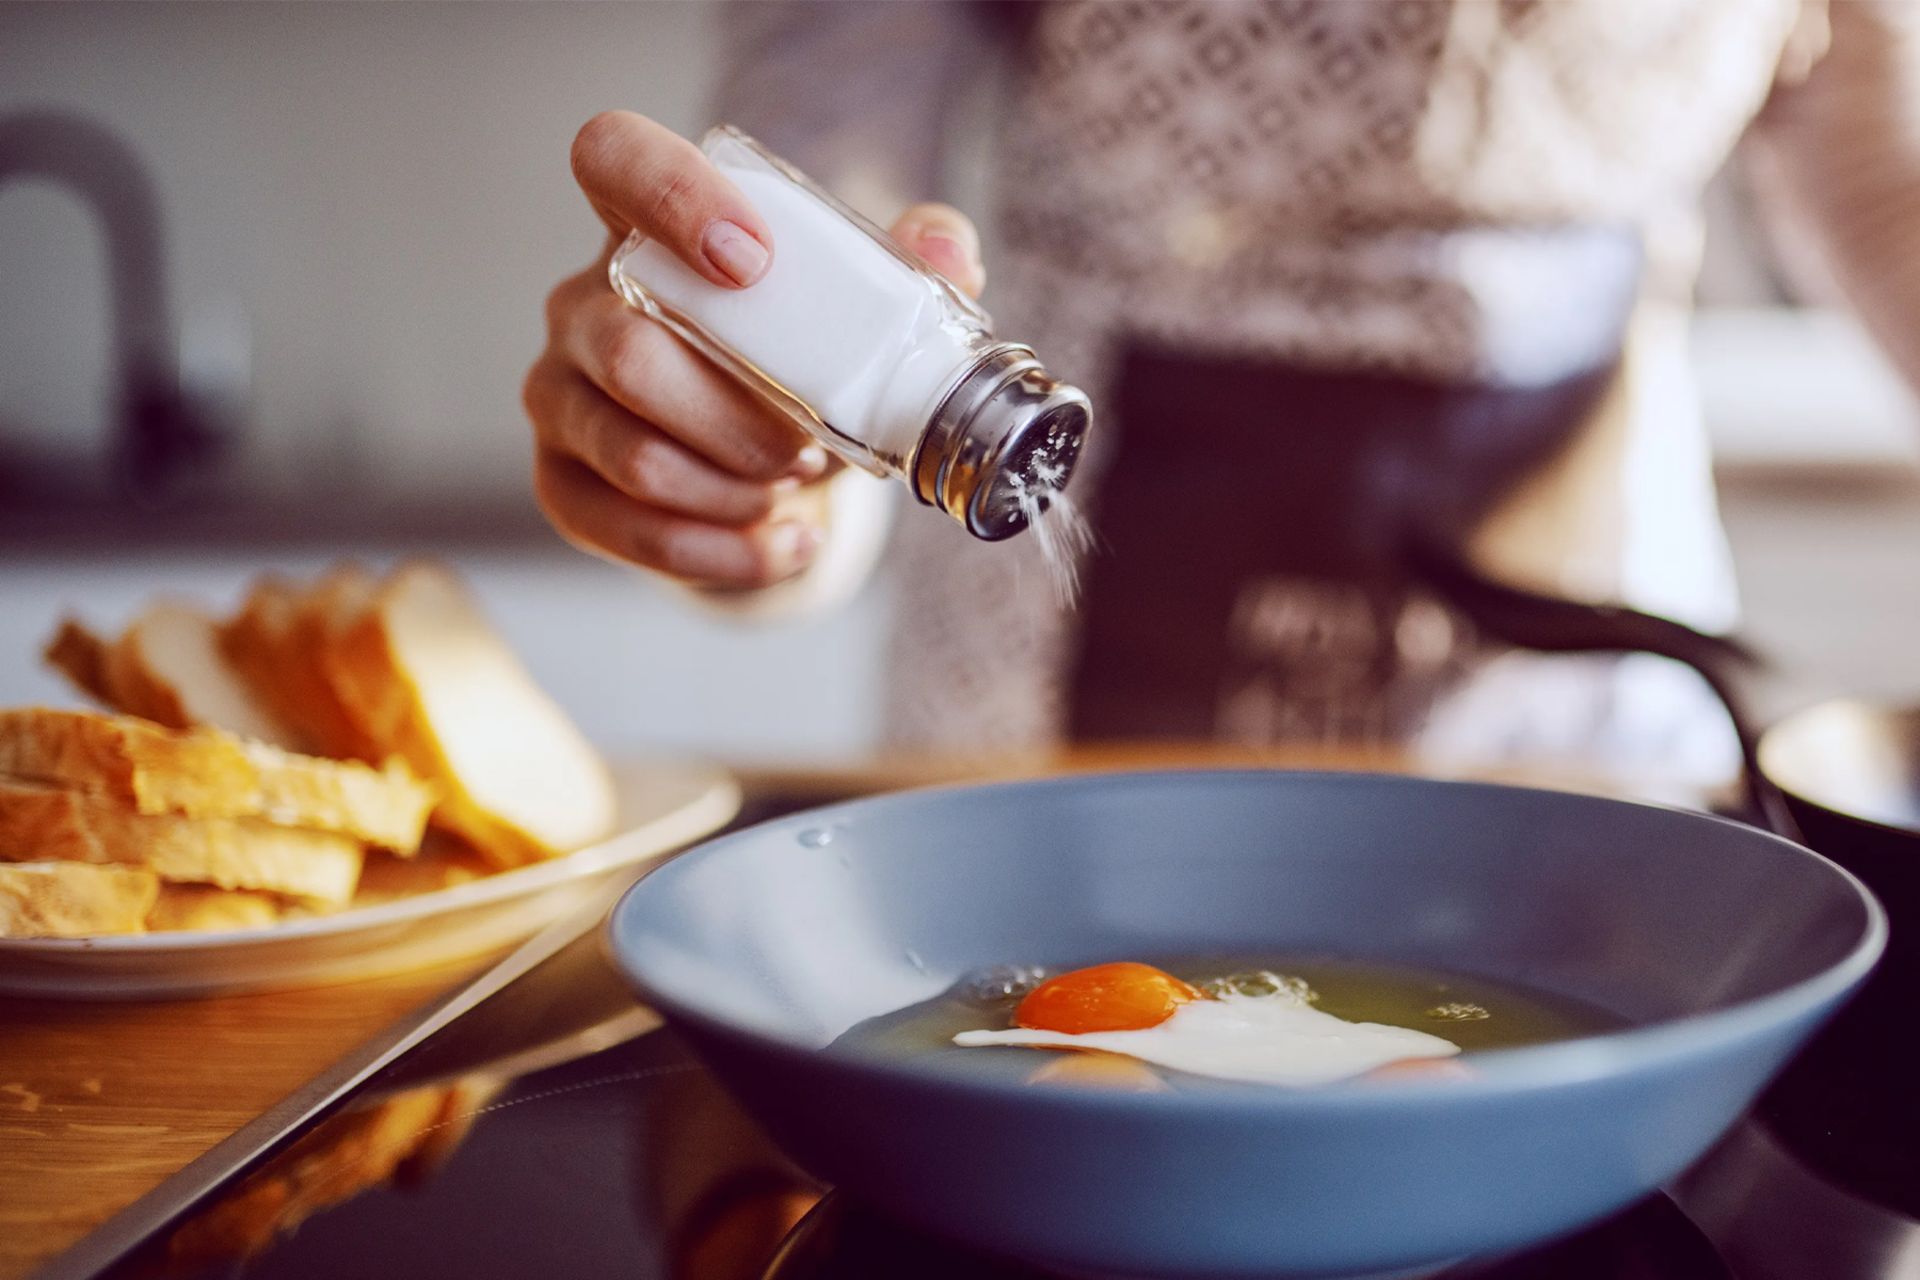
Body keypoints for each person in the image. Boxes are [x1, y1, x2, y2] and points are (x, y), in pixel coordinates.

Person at [526, 0, 1920, 786]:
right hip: (1048, 690)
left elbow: (1879, 174)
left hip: (1587, 724)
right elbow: (833, 174)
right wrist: (757, 481)